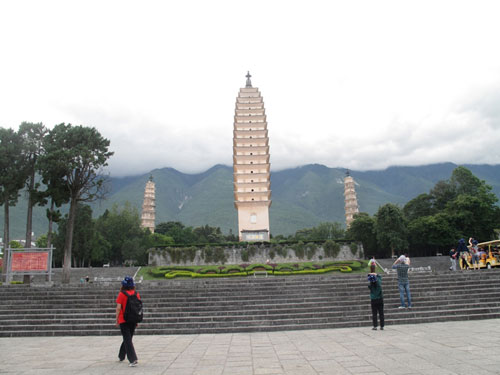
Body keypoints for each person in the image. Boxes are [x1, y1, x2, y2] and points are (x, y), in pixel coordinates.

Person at [116, 276, 140, 367]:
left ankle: (133, 359)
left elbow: (118, 308)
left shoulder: (122, 294)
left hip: (123, 319)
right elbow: (137, 308)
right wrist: (137, 320)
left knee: (127, 339)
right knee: (128, 338)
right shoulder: (136, 294)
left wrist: (117, 319)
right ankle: (121, 355)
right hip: (133, 319)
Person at [368, 263, 384, 330]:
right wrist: (376, 274)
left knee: (374, 313)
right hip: (380, 298)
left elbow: (370, 286)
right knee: (381, 312)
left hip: (373, 298)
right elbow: (379, 280)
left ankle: (375, 326)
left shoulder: (371, 280)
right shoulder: (378, 278)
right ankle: (382, 326)